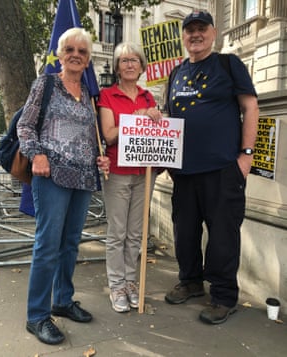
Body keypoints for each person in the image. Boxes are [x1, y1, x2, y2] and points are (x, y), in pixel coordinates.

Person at [164, 11, 259, 324]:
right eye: (189, 30)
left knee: (222, 236)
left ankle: (223, 296)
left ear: (213, 32)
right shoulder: (175, 74)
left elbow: (250, 107)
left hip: (222, 170)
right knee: (185, 234)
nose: (195, 34)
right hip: (184, 172)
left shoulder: (229, 65)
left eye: (201, 29)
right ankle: (190, 281)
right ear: (183, 36)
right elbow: (170, 119)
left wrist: (246, 156)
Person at [17, 27, 110, 345]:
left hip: (83, 178)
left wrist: (101, 158)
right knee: (48, 245)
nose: (75, 55)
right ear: (60, 54)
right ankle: (37, 315)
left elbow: (90, 136)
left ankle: (63, 300)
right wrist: (36, 154)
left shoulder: (88, 94)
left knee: (71, 244)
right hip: (52, 177)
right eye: (69, 49)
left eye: (82, 51)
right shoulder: (46, 84)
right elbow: (25, 125)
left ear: (88, 59)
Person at [97, 42, 162, 313]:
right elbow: (109, 134)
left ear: (142, 65)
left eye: (134, 60)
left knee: (136, 233)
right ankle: (116, 285)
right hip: (118, 173)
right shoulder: (107, 96)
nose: (130, 64)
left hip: (144, 173)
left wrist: (155, 118)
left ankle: (131, 282)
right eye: (124, 60)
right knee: (117, 233)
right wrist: (135, 118)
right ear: (117, 67)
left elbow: (159, 132)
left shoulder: (149, 97)